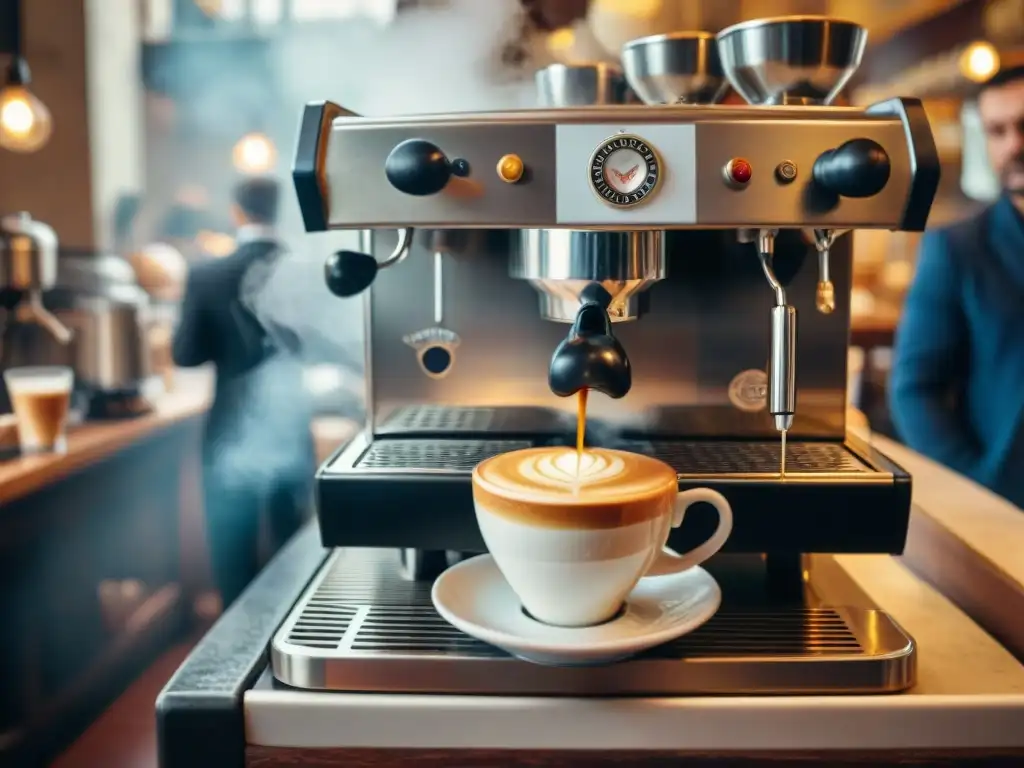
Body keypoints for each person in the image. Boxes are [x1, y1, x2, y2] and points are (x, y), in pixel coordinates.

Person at [172, 177, 314, 609]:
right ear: (279, 210)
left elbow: (185, 354)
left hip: (230, 432)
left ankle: (236, 656)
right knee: (293, 553)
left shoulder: (206, 274)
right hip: (292, 426)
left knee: (232, 554)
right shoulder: (304, 272)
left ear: (237, 212)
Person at [890, 64, 1024, 508]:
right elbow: (913, 389)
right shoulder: (958, 248)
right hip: (1010, 504)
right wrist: (975, 485)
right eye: (997, 131)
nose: (1014, 145)